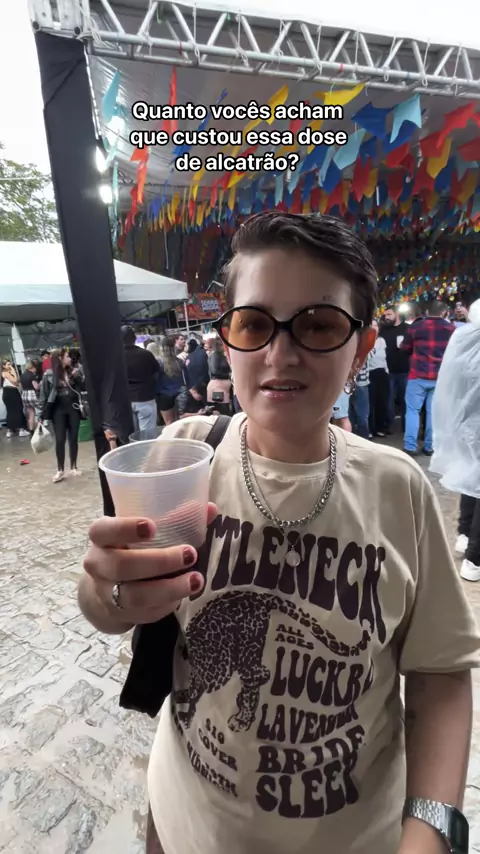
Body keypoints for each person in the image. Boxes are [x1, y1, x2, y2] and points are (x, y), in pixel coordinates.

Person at [79, 212, 479, 854]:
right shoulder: (184, 455)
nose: (280, 353)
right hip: (185, 822)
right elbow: (106, 603)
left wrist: (429, 830)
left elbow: (440, 674)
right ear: (229, 340)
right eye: (254, 324)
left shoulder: (396, 487)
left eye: (318, 325)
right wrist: (111, 594)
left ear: (362, 348)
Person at [429, 299, 480, 582]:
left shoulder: (462, 338)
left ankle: (464, 533)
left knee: (472, 479)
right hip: (473, 423)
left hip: (464, 424)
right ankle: (475, 558)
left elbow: (450, 383)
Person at [401, 300, 454, 456]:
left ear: (427, 312)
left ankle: (410, 446)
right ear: (444, 312)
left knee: (412, 411)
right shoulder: (451, 329)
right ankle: (429, 447)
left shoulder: (416, 327)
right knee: (432, 413)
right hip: (440, 377)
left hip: (417, 375)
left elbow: (405, 347)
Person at [39, 348, 84, 482]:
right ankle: (60, 470)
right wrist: (41, 415)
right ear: (60, 359)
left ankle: (74, 466)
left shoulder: (73, 371)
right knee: (60, 439)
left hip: (73, 408)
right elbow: (43, 395)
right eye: (67, 356)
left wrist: (78, 377)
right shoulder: (49, 374)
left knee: (73, 438)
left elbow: (83, 387)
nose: (70, 358)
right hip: (57, 411)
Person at [122, 326, 159, 432]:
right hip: (145, 397)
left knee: (131, 434)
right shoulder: (146, 354)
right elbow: (156, 370)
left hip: (125, 399)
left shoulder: (116, 357)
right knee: (147, 435)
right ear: (134, 338)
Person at [379, 307, 410, 432]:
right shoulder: (382, 330)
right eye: (385, 315)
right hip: (388, 371)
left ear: (397, 314)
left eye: (389, 314)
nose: (386, 317)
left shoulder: (407, 328)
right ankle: (389, 425)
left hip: (405, 370)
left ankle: (406, 425)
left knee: (405, 400)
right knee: (388, 400)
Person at [147, 337, 183, 426]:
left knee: (168, 423)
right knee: (176, 422)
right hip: (177, 394)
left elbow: (155, 379)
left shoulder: (159, 362)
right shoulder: (179, 361)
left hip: (163, 395)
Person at [368, 319, 389, 437]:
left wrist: (387, 370)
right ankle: (370, 429)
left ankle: (380, 427)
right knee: (371, 402)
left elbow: (384, 358)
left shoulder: (382, 340)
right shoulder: (365, 341)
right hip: (370, 373)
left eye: (376, 325)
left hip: (382, 372)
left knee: (382, 401)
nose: (374, 328)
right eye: (372, 325)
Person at [177, 339, 210, 417]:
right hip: (203, 386)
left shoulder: (188, 357)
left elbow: (185, 375)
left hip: (191, 388)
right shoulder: (204, 354)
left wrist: (191, 390)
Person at [1, 360, 29, 438]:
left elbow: (16, 382)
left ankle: (11, 430)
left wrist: (13, 374)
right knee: (16, 410)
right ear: (4, 366)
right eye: (8, 364)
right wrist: (13, 370)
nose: (10, 366)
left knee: (14, 410)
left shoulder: (8, 373)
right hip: (10, 392)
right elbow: (15, 380)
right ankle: (19, 429)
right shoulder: (5, 373)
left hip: (11, 392)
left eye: (10, 364)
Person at [207, 336, 232, 414]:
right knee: (222, 410)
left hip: (223, 387)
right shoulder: (215, 355)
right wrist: (228, 375)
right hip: (217, 387)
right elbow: (214, 371)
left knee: (225, 409)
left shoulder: (222, 356)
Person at [349, 355, 370, 439]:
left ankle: (354, 437)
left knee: (350, 415)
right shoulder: (363, 351)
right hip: (361, 384)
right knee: (362, 414)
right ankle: (363, 438)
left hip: (349, 384)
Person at [20, 360, 40, 433]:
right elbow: (36, 387)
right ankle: (40, 427)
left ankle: (31, 430)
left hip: (24, 394)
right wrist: (40, 384)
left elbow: (21, 386)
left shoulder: (22, 375)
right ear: (33, 367)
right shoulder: (32, 375)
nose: (36, 369)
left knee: (30, 412)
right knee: (40, 410)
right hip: (31, 394)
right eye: (35, 367)